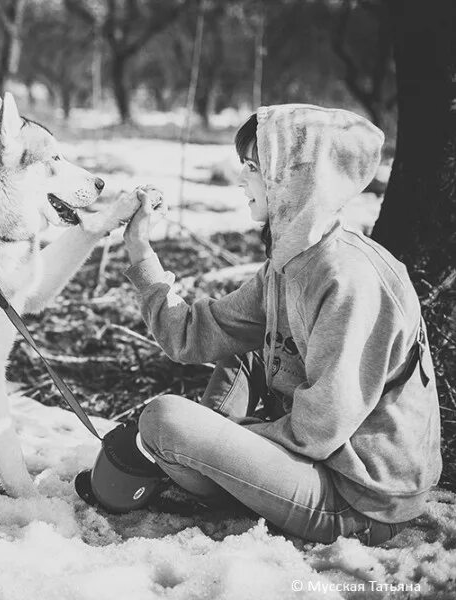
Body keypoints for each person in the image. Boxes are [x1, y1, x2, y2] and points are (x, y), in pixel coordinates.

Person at [120, 104, 441, 545]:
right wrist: (141, 253)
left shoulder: (349, 279)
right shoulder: (288, 265)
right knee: (244, 348)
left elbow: (318, 431)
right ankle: (210, 463)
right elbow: (193, 334)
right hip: (316, 466)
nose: (241, 181)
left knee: (163, 419)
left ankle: (206, 466)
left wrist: (221, 438)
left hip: (358, 498)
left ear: (296, 177)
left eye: (254, 167)